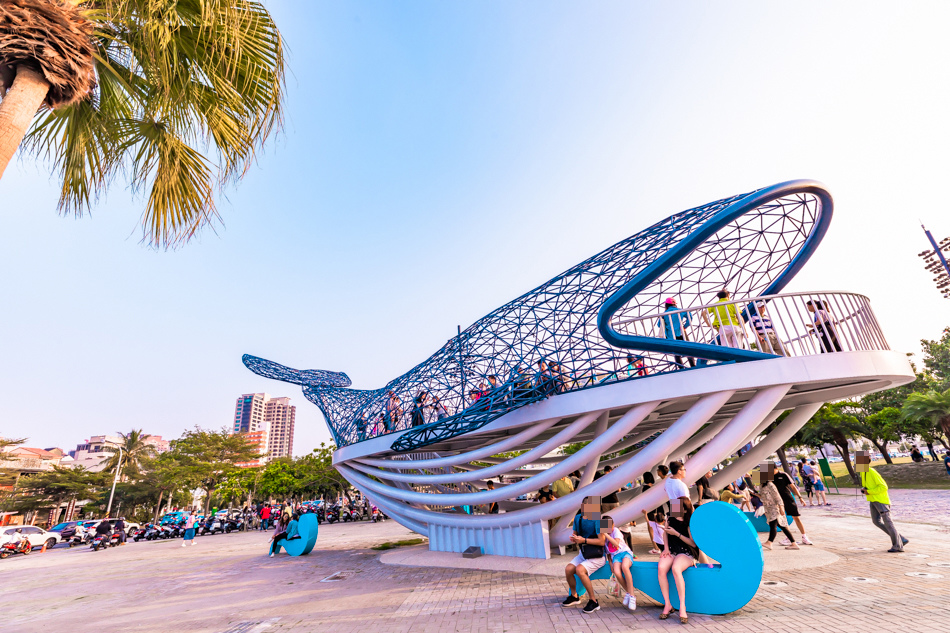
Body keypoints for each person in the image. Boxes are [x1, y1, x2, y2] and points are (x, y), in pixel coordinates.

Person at [856, 451, 909, 552]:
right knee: (876, 521)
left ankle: (898, 545)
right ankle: (901, 538)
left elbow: (884, 487)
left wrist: (869, 491)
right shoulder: (863, 472)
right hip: (873, 500)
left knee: (888, 522)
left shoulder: (871, 471)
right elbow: (869, 485)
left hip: (881, 500)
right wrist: (865, 490)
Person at [562, 497, 607, 614]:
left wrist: (584, 540)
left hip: (597, 555)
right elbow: (575, 534)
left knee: (580, 570)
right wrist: (574, 538)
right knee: (568, 569)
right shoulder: (578, 518)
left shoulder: (598, 519)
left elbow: (602, 542)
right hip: (584, 553)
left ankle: (593, 601)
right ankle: (574, 596)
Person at [658, 497, 699, 624]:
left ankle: (682, 606)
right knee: (661, 568)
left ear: (685, 510)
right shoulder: (670, 518)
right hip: (672, 551)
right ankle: (668, 604)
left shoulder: (689, 522)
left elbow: (692, 543)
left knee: (676, 568)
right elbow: (665, 533)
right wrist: (665, 549)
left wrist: (676, 534)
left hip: (686, 553)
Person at [755, 463, 799, 551]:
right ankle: (794, 543)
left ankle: (769, 543)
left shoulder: (770, 485)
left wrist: (781, 507)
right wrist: (755, 494)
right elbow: (763, 497)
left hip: (774, 508)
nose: (758, 477)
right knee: (782, 526)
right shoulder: (762, 486)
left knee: (773, 525)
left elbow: (777, 497)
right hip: (769, 508)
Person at [602, 515, 637, 611]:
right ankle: (629, 593)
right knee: (617, 572)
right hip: (615, 557)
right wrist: (610, 564)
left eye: (609, 526)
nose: (608, 529)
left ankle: (632, 596)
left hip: (625, 553)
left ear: (613, 525)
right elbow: (608, 553)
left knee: (625, 567)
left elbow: (616, 544)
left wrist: (606, 534)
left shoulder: (616, 531)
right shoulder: (604, 538)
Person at [772, 464, 813, 545]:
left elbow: (793, 487)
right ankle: (788, 538)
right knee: (783, 520)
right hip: (777, 501)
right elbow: (756, 481)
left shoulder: (783, 475)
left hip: (788, 499)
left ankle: (804, 537)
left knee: (796, 518)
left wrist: (800, 497)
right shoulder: (767, 477)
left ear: (776, 468)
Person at [658, 297, 695, 367]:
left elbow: (659, 325)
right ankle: (693, 365)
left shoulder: (664, 314)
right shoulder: (680, 310)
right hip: (681, 332)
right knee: (688, 349)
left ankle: (680, 367)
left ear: (666, 305)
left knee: (676, 352)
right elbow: (690, 317)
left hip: (671, 335)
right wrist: (685, 326)